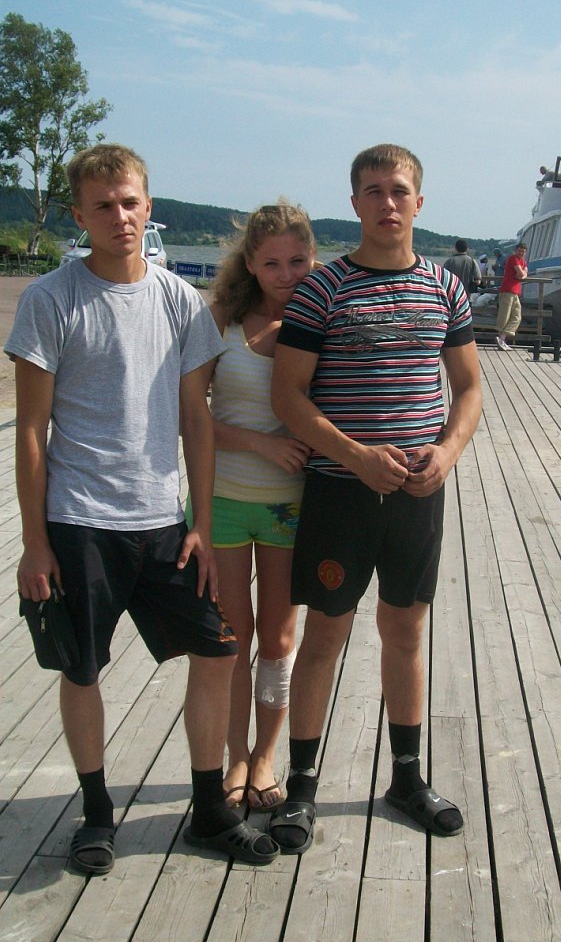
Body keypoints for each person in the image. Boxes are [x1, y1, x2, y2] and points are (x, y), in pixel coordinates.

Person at [6, 143, 279, 874]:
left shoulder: (179, 301)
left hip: (164, 521)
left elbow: (196, 418)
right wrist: (35, 542)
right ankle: (97, 813)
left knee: (219, 651)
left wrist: (200, 522)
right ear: (80, 215)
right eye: (103, 206)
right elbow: (30, 429)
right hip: (78, 520)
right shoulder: (50, 300)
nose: (119, 217)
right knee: (82, 669)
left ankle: (210, 810)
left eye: (130, 203)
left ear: (148, 206)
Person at [266, 143, 482, 855]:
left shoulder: (445, 289)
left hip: (418, 493)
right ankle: (301, 788)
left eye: (399, 190)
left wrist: (447, 453)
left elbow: (469, 388)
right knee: (325, 634)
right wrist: (355, 456)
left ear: (419, 201)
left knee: (406, 631)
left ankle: (407, 779)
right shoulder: (323, 290)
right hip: (340, 493)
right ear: (355, 202)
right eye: (373, 191)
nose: (387, 203)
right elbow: (288, 396)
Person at [191, 203, 313, 814]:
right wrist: (261, 443)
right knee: (232, 637)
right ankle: (235, 754)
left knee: (280, 636)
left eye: (297, 261)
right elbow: (191, 416)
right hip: (226, 501)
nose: (286, 275)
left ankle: (267, 754)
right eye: (271, 264)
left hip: (292, 507)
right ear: (249, 265)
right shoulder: (221, 320)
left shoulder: (319, 321)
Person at [496, 242, 528, 350]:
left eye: (523, 251)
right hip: (507, 290)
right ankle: (501, 339)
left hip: (515, 292)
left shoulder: (522, 261)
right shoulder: (513, 258)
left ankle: (502, 338)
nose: (521, 253)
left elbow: (524, 273)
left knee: (517, 317)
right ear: (516, 250)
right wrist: (523, 274)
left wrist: (523, 274)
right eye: (519, 251)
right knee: (504, 316)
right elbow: (521, 274)